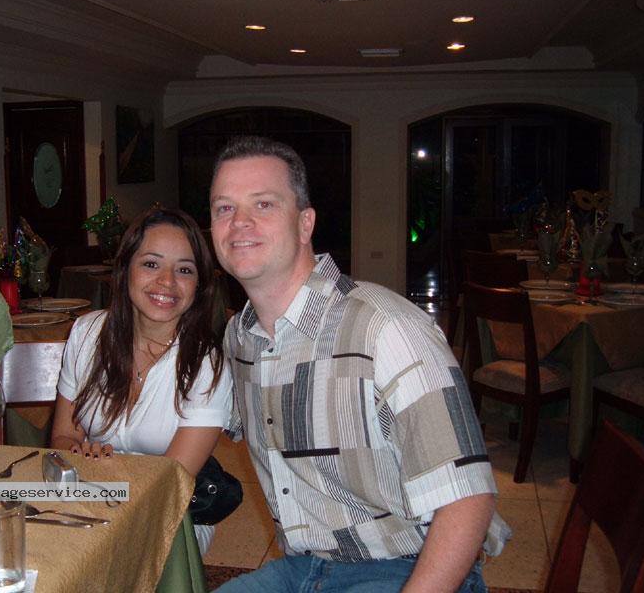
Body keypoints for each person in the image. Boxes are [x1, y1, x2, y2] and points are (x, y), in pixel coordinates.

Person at [208, 136, 511, 592]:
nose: (239, 222)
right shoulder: (241, 337)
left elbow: (468, 499)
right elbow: (201, 421)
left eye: (264, 204)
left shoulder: (386, 328)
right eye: (224, 208)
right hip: (303, 568)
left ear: (305, 223)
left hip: (408, 566)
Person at [51, 207, 233, 554]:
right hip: (90, 497)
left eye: (184, 270)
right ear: (125, 270)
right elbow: (63, 436)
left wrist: (106, 476)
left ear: (199, 285)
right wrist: (79, 452)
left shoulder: (207, 364)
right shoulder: (87, 334)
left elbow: (172, 482)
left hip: (169, 515)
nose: (167, 281)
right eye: (151, 264)